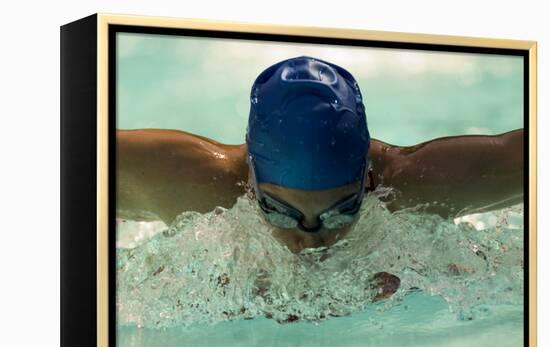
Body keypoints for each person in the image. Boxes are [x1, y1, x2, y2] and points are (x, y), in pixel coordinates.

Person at [116, 55, 524, 256]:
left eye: (341, 212)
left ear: (367, 179)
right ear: (250, 178)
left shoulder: (418, 188)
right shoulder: (193, 185)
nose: (310, 242)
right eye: (279, 211)